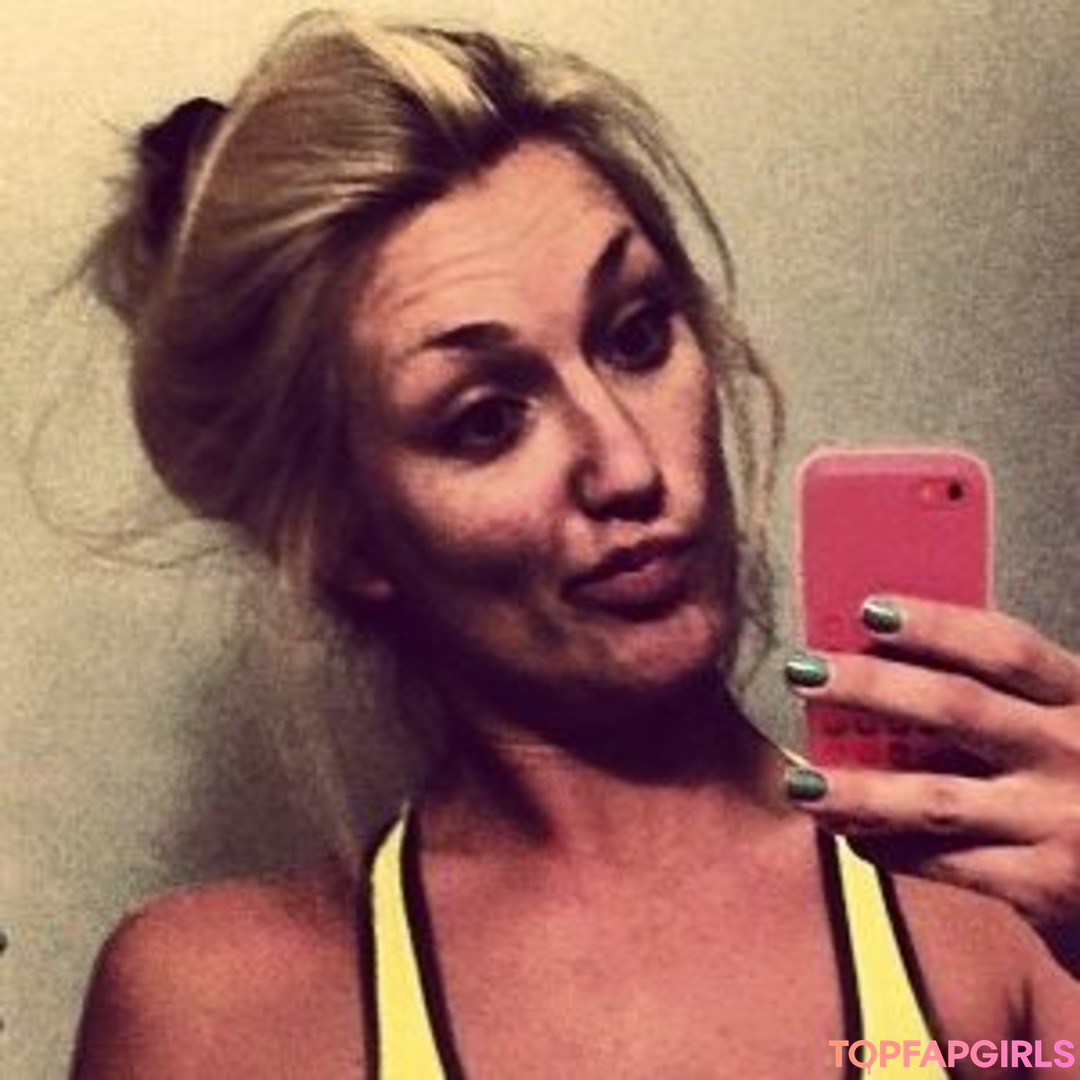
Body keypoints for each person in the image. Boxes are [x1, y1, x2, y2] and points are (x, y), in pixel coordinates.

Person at [71, 11, 1079, 1078]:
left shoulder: (993, 912)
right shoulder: (225, 1015)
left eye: (636, 336)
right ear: (346, 535)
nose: (628, 466)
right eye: (486, 420)